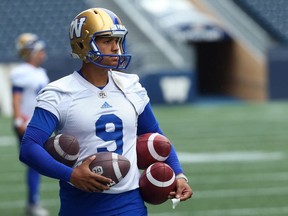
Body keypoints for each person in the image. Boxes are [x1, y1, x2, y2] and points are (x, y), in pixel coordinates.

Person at [19, 8, 192, 215]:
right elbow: (29, 147)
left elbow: (157, 137)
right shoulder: (59, 92)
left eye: (118, 41)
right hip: (80, 203)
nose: (115, 48)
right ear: (83, 44)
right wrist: (71, 174)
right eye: (106, 40)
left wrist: (179, 174)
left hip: (129, 202)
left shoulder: (131, 85)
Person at [10, 33, 49, 216]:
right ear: (31, 52)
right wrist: (19, 120)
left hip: (39, 123)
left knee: (43, 162)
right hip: (27, 123)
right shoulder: (21, 72)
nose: (43, 54)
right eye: (40, 50)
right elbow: (16, 99)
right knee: (35, 163)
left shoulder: (39, 72)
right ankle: (33, 204)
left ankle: (33, 203)